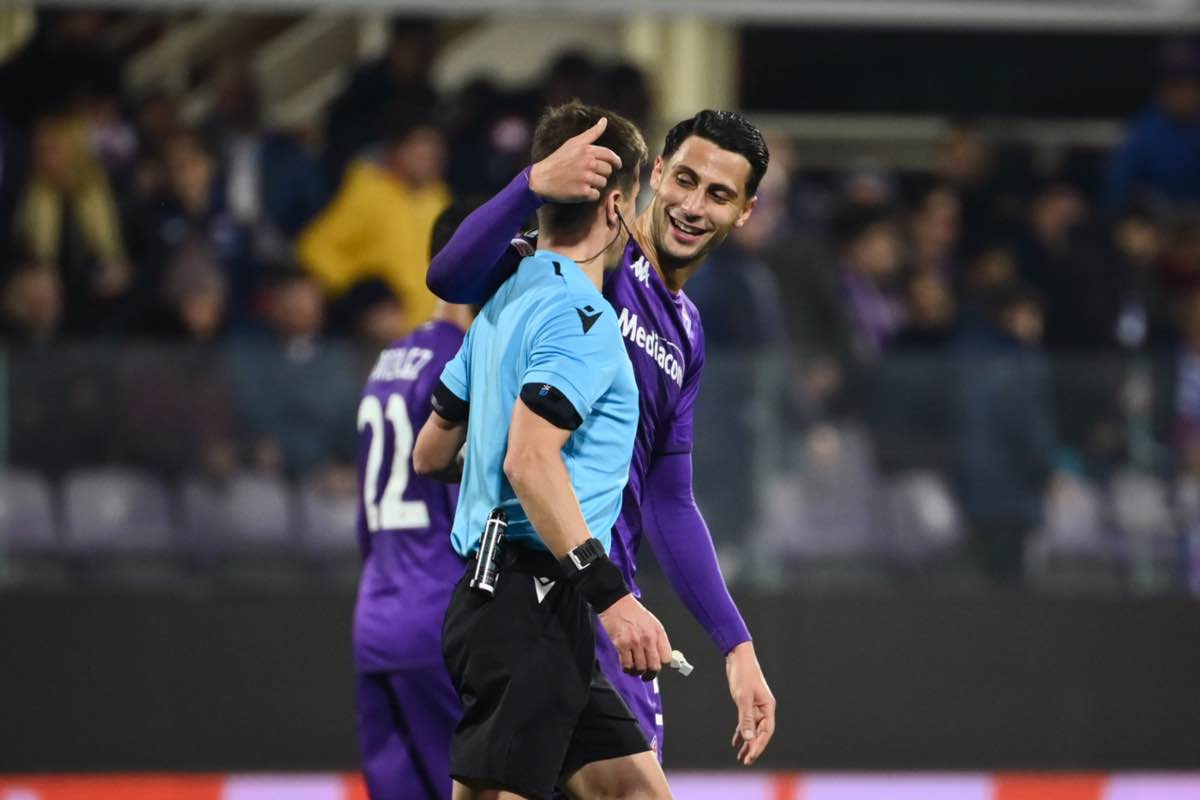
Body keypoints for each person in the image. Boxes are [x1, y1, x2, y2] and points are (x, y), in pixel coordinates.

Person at [425, 109, 777, 766]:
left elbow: (670, 503)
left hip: (611, 611)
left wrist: (736, 645)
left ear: (745, 210)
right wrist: (530, 184)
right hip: (552, 596)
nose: (693, 206)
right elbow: (452, 277)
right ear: (657, 174)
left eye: (719, 194)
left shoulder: (687, 331)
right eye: (685, 180)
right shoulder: (594, 255)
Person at [412, 102, 671, 800]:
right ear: (618, 207)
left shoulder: (501, 303)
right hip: (529, 605)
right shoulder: (582, 316)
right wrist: (613, 597)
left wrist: (502, 468)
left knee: (637, 793)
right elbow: (530, 461)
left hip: (507, 604)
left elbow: (431, 454)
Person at [353, 202, 480, 800]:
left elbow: (364, 523)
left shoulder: (388, 361)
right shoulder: (464, 362)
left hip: (376, 618)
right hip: (438, 618)